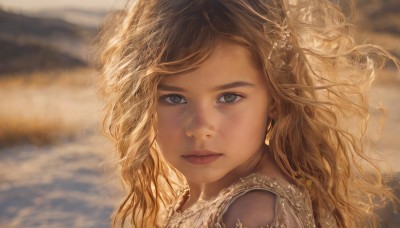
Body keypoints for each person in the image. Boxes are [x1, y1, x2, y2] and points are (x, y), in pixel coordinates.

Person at [97, 0, 398, 227]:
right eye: (174, 98)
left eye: (229, 97)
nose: (200, 128)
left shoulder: (255, 212)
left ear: (275, 99)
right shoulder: (216, 192)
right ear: (142, 103)